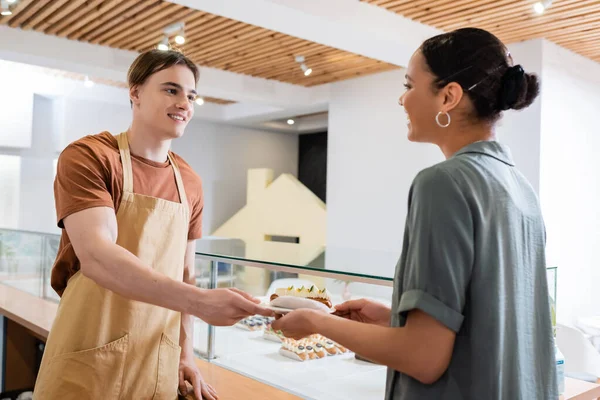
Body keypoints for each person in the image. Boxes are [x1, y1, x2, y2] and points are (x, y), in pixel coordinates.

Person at [272, 27, 558, 399]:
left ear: (448, 97)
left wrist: (316, 322)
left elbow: (423, 358)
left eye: (409, 85)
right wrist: (396, 316)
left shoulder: (443, 183)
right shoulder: (519, 187)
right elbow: (493, 323)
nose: (402, 100)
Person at [33, 49, 273, 400]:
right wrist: (200, 302)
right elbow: (98, 256)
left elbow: (185, 273)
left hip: (156, 361)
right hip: (90, 351)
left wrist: (185, 353)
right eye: (171, 90)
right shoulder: (90, 157)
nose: (185, 104)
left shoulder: (189, 181)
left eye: (191, 95)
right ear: (135, 92)